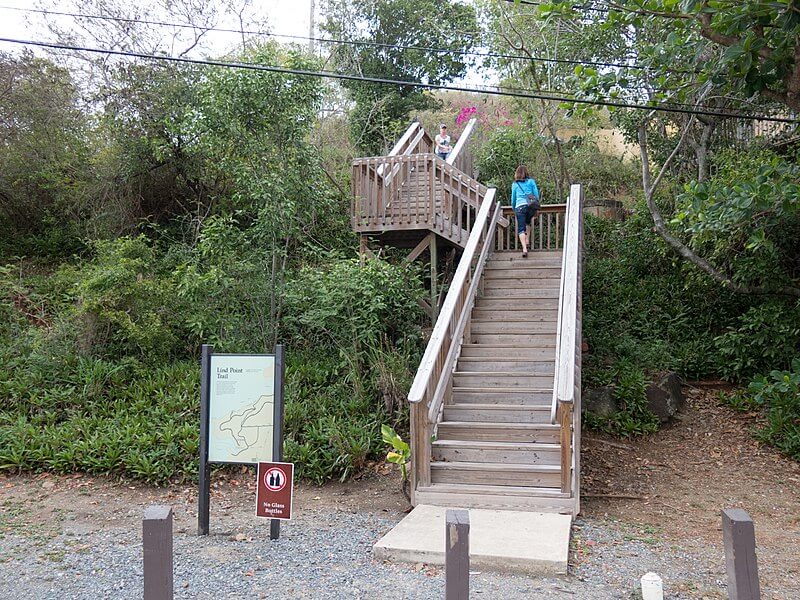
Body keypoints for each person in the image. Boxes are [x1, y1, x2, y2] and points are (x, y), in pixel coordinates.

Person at [511, 165, 540, 258]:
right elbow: (536, 194)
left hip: (519, 207)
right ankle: (527, 240)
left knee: (521, 229)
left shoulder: (515, 184)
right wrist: (536, 203)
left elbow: (513, 198)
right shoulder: (531, 181)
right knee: (527, 222)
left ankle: (524, 249)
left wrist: (513, 208)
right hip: (531, 207)